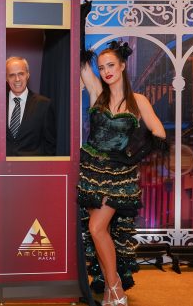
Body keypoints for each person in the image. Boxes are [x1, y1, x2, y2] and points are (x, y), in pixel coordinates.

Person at [79, 39, 167, 306]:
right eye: (102, 67)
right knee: (99, 232)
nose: (106, 71)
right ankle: (111, 289)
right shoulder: (97, 92)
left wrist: (131, 155)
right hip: (91, 172)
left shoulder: (138, 101)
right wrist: (79, 22)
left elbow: (159, 134)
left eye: (110, 65)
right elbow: (81, 62)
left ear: (122, 66)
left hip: (119, 177)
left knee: (96, 228)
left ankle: (115, 286)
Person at [0, 57, 56, 156]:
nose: (17, 79)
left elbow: (50, 145)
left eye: (21, 74)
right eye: (12, 75)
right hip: (1, 165)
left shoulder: (44, 104)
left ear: (28, 75)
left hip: (32, 165)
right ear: (6, 78)